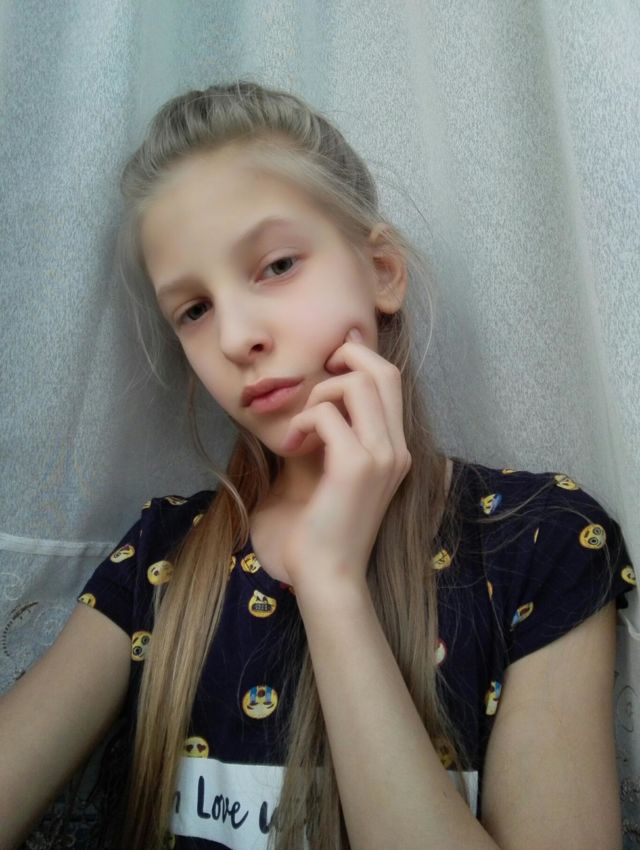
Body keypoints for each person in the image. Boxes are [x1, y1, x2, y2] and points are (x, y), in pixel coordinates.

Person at [0, 79, 635, 850]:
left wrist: (332, 584)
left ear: (382, 272)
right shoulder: (161, 557)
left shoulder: (543, 544)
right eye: (194, 309)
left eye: (275, 265)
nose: (236, 337)